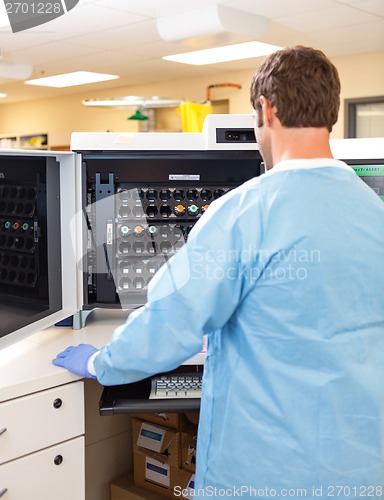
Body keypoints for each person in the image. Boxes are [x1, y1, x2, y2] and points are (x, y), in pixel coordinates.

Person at [53, 46, 384, 498]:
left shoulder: (242, 213)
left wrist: (101, 362)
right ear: (332, 113)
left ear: (265, 110)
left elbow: (169, 324)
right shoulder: (373, 211)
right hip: (361, 471)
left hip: (265, 474)